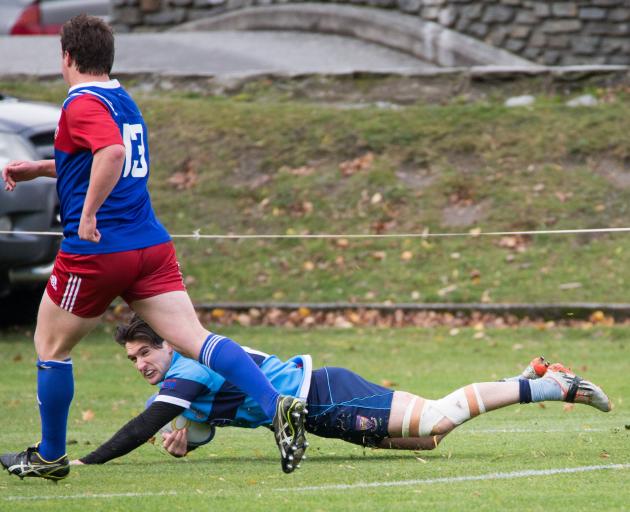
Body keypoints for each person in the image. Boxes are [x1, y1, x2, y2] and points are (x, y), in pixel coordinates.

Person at [0, 15, 306, 481]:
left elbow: (111, 156)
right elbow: (94, 158)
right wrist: (39, 169)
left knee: (50, 346)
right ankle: (275, 403)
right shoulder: (122, 100)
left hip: (98, 251)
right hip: (151, 246)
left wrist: (86, 215)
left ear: (65, 56)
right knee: (195, 340)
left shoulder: (80, 103)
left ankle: (49, 456)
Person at [70, 316, 611, 465]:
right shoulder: (178, 386)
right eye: (133, 359)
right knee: (428, 440)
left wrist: (91, 462)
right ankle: (528, 376)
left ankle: (550, 385)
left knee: (436, 420)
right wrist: (190, 437)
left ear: (168, 344)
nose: (142, 364)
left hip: (325, 395)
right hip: (322, 412)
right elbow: (207, 422)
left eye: (147, 352)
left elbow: (144, 426)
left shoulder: (190, 366)